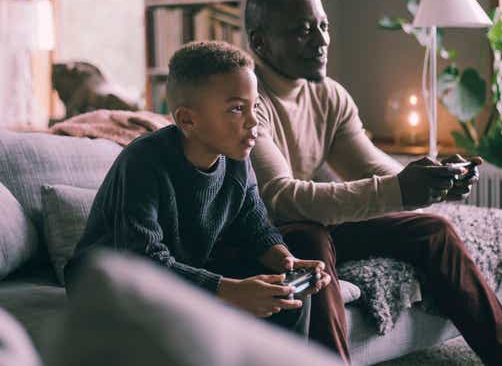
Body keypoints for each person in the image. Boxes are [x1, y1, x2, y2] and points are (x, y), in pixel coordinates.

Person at [245, 0, 502, 366]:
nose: (321, 40)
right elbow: (282, 199)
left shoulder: (328, 94)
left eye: (323, 25)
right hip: (268, 232)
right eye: (302, 30)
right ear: (260, 43)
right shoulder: (246, 100)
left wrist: (431, 181)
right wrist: (400, 189)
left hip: (311, 220)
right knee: (309, 242)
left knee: (433, 230)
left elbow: (370, 166)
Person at [65, 41, 331, 335]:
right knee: (205, 314)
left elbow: (255, 228)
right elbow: (142, 260)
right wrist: (230, 291)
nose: (254, 121)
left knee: (285, 294)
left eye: (255, 106)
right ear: (187, 119)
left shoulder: (237, 159)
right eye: (237, 109)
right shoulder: (143, 161)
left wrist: (286, 260)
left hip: (179, 269)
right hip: (108, 283)